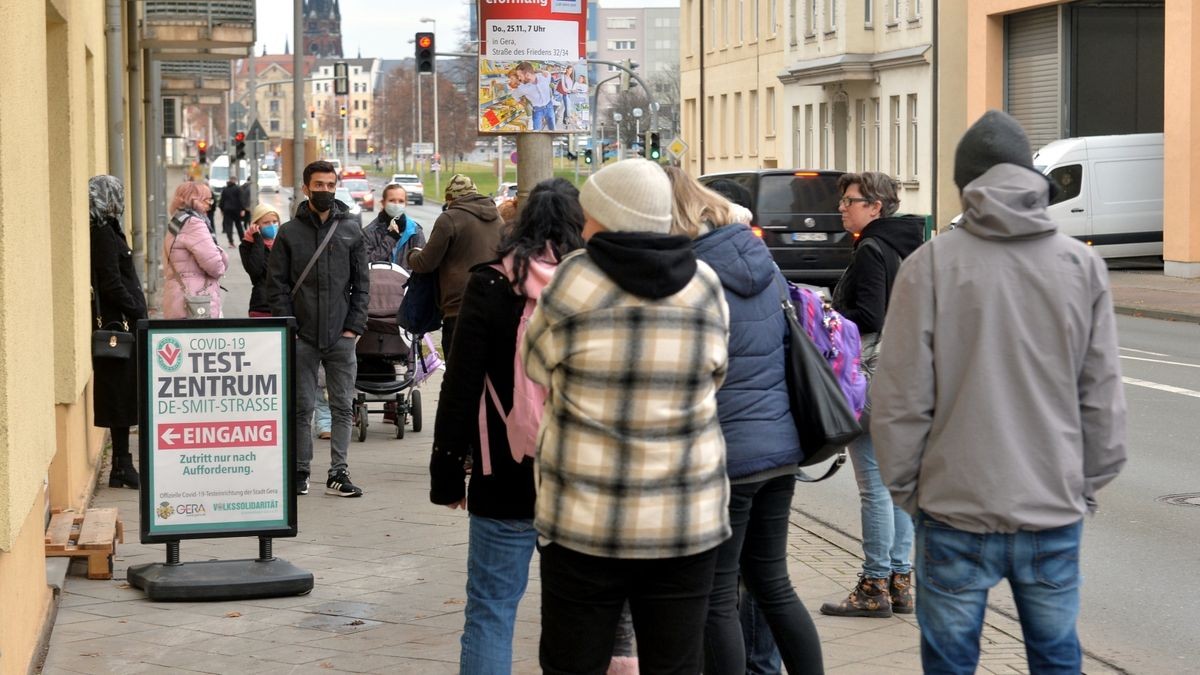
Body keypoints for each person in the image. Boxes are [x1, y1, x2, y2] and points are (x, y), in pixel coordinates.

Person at [872, 110, 1127, 673]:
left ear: (965, 188)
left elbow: (898, 401)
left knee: (950, 662)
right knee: (1057, 657)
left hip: (952, 508)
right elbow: (1102, 395)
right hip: (1051, 507)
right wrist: (1082, 485)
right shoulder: (1081, 265)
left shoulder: (930, 266)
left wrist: (911, 493)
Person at [521, 159, 731, 672]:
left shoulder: (575, 281)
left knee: (574, 662)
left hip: (584, 518)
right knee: (677, 663)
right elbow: (716, 372)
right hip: (686, 517)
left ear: (609, 218)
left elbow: (535, 364)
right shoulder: (704, 283)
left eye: (590, 214)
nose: (584, 225)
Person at [662, 167, 824, 674]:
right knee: (773, 584)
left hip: (727, 454)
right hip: (780, 447)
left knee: (715, 596)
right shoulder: (763, 261)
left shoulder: (689, 276)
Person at [430, 177, 585, 673]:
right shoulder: (594, 284)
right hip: (583, 475)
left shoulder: (491, 282)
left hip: (505, 469)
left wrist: (449, 474)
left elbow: (461, 385)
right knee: (579, 617)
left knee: (491, 610)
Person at [819, 171, 924, 619]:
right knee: (896, 486)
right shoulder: (906, 245)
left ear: (875, 206)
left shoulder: (871, 249)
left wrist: (828, 313)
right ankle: (900, 581)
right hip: (904, 374)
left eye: (850, 201)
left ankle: (873, 585)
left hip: (872, 378)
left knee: (874, 487)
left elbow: (870, 314)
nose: (843, 207)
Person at [267, 160, 370, 498]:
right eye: (318, 185)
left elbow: (361, 284)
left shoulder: (352, 230)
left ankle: (339, 472)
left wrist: (354, 326)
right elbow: (277, 286)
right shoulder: (289, 232)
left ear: (336, 186)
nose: (324, 190)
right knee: (302, 408)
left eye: (330, 185)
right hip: (303, 337)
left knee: (343, 407)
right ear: (305, 187)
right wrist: (290, 327)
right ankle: (300, 471)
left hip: (341, 335)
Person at [88, 175, 148, 489]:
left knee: (123, 395)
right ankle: (122, 465)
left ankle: (121, 465)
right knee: (119, 396)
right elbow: (110, 283)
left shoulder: (109, 229)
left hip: (122, 323)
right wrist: (136, 309)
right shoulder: (101, 234)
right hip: (117, 326)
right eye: (117, 194)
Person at [407, 174, 504, 355]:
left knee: (459, 377)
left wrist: (411, 254)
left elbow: (425, 263)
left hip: (460, 311)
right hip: (495, 309)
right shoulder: (497, 218)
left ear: (450, 199)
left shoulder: (449, 218)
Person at [162, 182, 227, 319]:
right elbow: (216, 267)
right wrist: (220, 253)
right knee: (202, 340)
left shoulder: (177, 221)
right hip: (196, 301)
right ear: (194, 201)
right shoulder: (194, 224)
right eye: (207, 200)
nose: (210, 204)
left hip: (178, 296)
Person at [363, 183, 426, 269]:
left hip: (407, 282)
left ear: (405, 204)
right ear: (383, 203)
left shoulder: (415, 231)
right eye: (392, 200)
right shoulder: (370, 232)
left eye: (401, 201)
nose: (396, 205)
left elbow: (422, 266)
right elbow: (364, 263)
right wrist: (391, 238)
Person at [239, 202, 281, 318]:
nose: (272, 225)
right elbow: (255, 271)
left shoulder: (282, 242)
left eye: (274, 222)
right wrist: (258, 239)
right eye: (266, 223)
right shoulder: (247, 245)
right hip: (262, 306)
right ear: (256, 225)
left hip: (283, 305)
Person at [510, 61, 555, 131]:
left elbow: (548, 73)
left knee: (552, 128)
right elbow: (514, 95)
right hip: (537, 110)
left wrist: (541, 71)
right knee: (536, 131)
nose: (519, 78)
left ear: (527, 75)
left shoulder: (544, 77)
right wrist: (523, 103)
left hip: (549, 106)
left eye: (520, 76)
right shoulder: (522, 88)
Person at [218, 177, 245, 247]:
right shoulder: (238, 189)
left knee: (228, 226)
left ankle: (231, 242)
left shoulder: (225, 189)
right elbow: (241, 199)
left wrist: (221, 209)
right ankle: (243, 241)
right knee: (239, 225)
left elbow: (222, 200)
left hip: (227, 210)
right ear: (235, 181)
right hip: (236, 210)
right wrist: (242, 209)